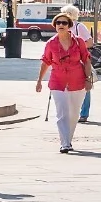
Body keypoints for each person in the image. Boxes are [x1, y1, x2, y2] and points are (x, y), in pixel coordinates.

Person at [35, 12, 92, 152]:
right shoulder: (51, 44)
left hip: (77, 81)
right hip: (57, 81)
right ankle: (64, 143)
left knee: (74, 114)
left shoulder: (78, 42)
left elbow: (86, 60)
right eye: (58, 23)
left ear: (69, 26)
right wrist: (39, 81)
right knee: (62, 113)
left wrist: (88, 79)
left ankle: (68, 139)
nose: (61, 25)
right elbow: (45, 62)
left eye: (64, 23)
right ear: (55, 26)